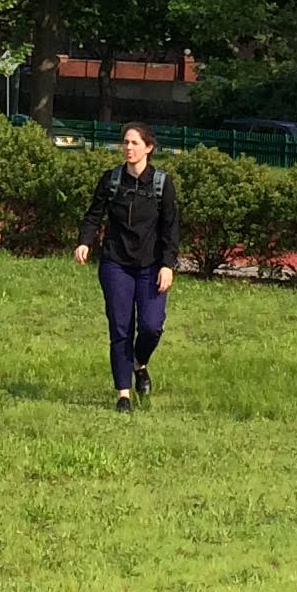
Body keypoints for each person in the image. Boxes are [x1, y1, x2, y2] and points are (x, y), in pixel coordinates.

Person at [75, 121, 178, 410]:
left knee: (151, 327)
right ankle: (123, 395)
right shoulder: (111, 180)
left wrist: (168, 264)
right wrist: (85, 241)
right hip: (115, 264)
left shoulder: (162, 184)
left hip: (151, 266)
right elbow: (93, 215)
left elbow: (171, 227)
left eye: (135, 143)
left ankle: (139, 363)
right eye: (126, 142)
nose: (128, 148)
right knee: (120, 328)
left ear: (149, 148)